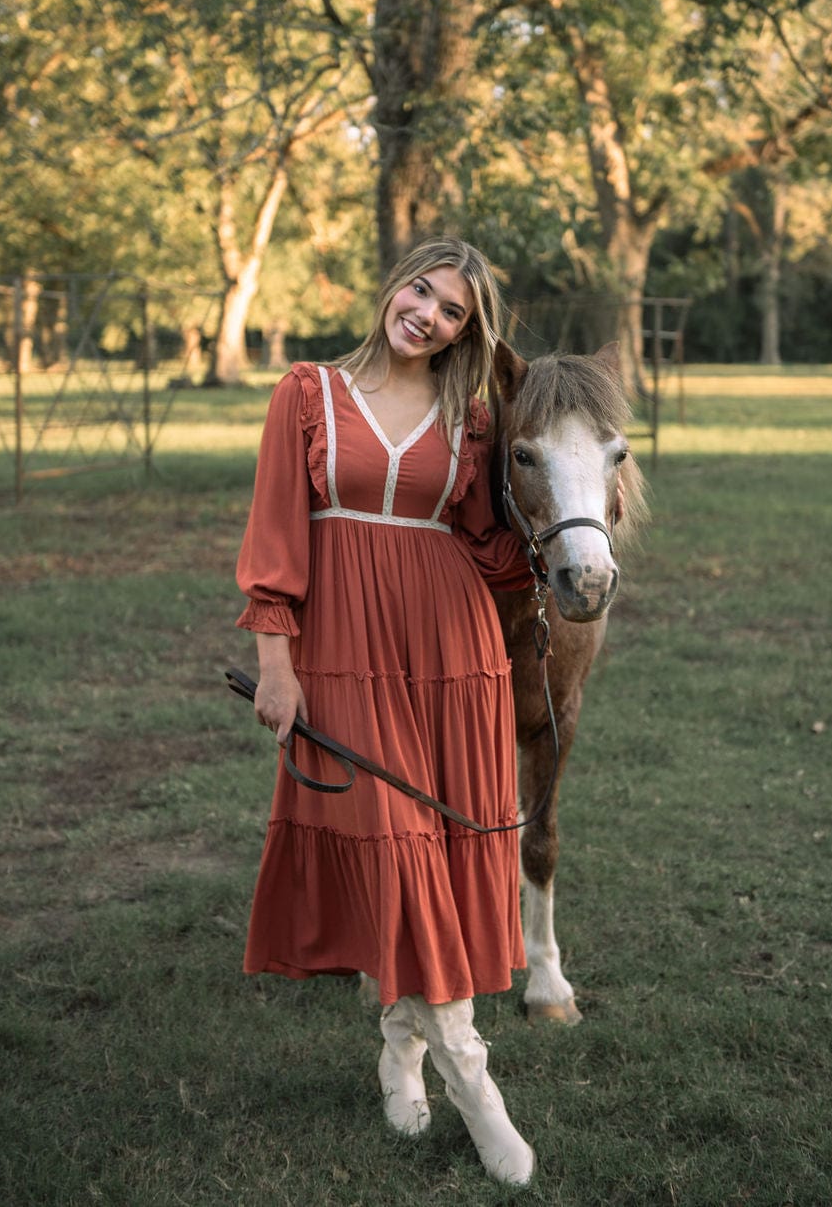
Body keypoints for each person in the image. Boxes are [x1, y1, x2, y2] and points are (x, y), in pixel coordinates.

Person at [235, 238, 538, 1186]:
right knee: (395, 843)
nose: (430, 317)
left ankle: (402, 1053)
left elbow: (491, 540)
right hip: (347, 654)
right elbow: (275, 532)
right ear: (394, 285)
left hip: (454, 657)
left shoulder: (472, 414)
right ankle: (479, 1091)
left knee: (437, 855)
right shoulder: (307, 392)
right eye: (424, 291)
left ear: (465, 333)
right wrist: (275, 663)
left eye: (454, 313)